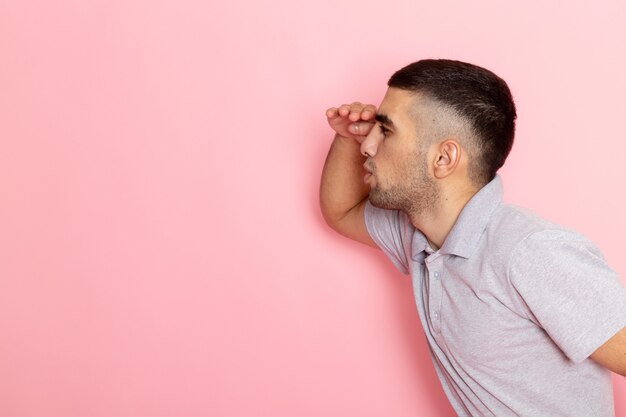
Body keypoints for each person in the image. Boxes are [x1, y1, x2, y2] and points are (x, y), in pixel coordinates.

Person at [319, 59, 626, 417]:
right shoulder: (417, 234)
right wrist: (345, 136)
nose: (367, 146)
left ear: (444, 158)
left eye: (385, 131)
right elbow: (340, 212)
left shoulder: (529, 251)